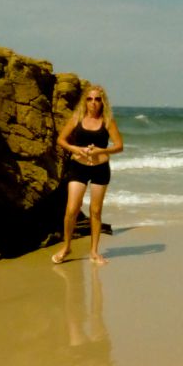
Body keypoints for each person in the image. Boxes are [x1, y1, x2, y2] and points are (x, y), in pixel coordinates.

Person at [51, 85, 123, 265]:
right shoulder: (77, 118)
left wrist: (101, 150)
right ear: (85, 101)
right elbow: (61, 139)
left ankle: (94, 252)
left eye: (97, 99)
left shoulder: (108, 121)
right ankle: (66, 247)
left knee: (96, 211)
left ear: (103, 102)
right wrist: (75, 149)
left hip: (100, 169)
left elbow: (119, 146)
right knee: (71, 209)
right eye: (90, 99)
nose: (93, 103)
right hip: (78, 168)